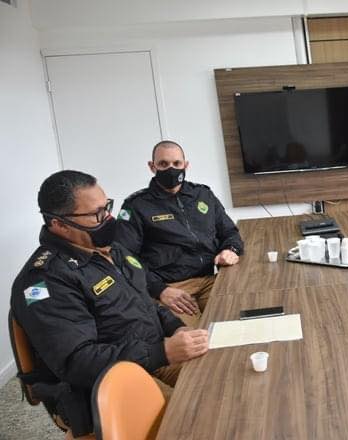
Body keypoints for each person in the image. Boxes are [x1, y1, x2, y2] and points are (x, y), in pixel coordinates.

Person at [11, 170, 209, 438]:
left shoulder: (109, 250)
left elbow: (145, 302)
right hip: (104, 382)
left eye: (107, 207)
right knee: (197, 420)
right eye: (96, 214)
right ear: (59, 224)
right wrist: (162, 352)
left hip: (151, 355)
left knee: (219, 379)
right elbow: (78, 362)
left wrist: (176, 328)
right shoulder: (44, 280)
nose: (108, 219)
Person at [115, 140, 243, 327]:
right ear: (152, 167)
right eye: (163, 164)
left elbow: (230, 232)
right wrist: (159, 290)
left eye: (176, 163)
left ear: (186, 165)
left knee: (237, 323)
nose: (171, 169)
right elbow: (123, 256)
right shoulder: (136, 205)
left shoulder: (203, 195)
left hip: (211, 279)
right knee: (194, 339)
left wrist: (230, 250)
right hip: (172, 288)